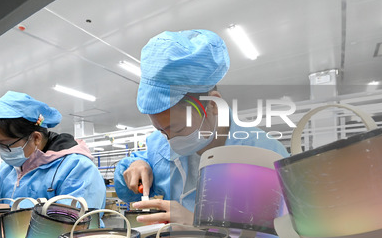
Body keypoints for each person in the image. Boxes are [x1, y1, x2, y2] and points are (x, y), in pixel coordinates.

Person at [114, 29, 289, 225]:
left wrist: (201, 226)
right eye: (162, 131)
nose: (170, 142)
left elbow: (284, 237)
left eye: (178, 130)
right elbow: (125, 185)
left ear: (212, 106)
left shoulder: (266, 156)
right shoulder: (160, 145)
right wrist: (135, 167)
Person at [0, 91, 105, 210]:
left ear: (35, 138)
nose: (2, 151)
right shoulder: (9, 169)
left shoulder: (76, 167)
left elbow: (76, 219)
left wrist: (10, 210)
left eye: (5, 144)